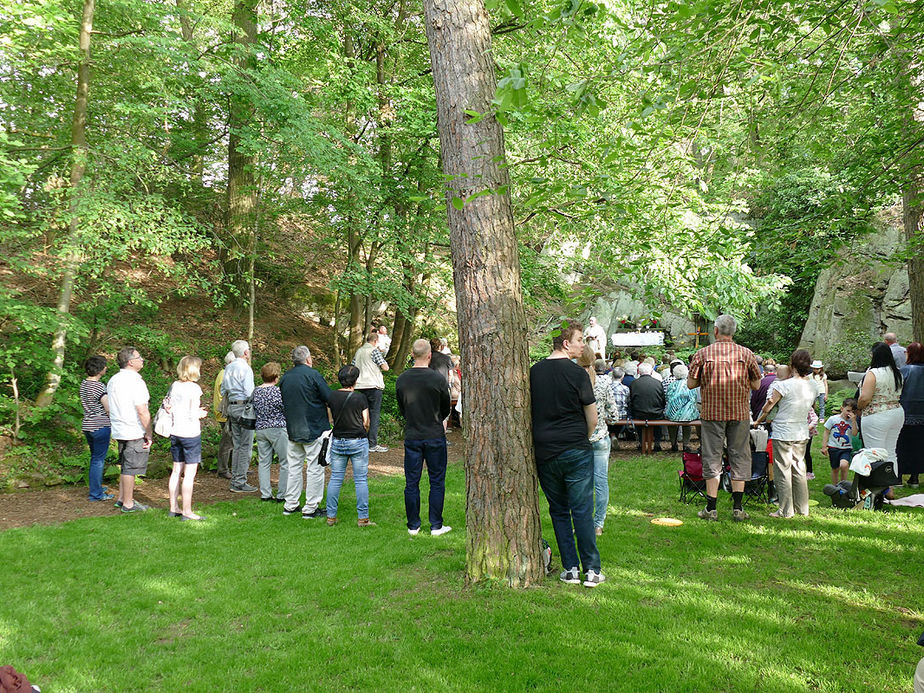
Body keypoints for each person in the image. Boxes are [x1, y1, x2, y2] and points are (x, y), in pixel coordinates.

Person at [530, 320, 604, 588]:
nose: (583, 344)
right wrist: (580, 439)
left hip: (545, 450)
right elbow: (592, 418)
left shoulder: (533, 373)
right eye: (580, 340)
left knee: (559, 510)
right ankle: (592, 570)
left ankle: (571, 568)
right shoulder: (578, 375)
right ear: (566, 344)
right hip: (575, 449)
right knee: (582, 510)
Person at [687, 314, 761, 521]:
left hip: (712, 414)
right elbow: (756, 384)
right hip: (739, 413)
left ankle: (711, 509)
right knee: (740, 455)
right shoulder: (746, 354)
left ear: (716, 331)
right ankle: (738, 508)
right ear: (734, 332)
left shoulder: (702, 354)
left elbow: (691, 384)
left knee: (712, 456)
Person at [396, 339, 452, 536]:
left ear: (412, 354)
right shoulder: (438, 379)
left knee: (412, 481)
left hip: (413, 434)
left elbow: (402, 406)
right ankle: (436, 525)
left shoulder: (402, 379)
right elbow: (446, 407)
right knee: (436, 480)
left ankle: (413, 525)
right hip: (434, 434)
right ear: (429, 355)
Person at [754, 349, 816, 518]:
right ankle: (802, 508)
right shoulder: (813, 385)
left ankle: (785, 510)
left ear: (792, 364)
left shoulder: (784, 385)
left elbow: (768, 406)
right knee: (799, 469)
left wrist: (758, 421)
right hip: (802, 431)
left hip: (783, 431)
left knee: (783, 470)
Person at [279, 345, 332, 518]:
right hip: (313, 428)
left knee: (294, 468)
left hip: (293, 428)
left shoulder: (286, 378)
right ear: (308, 359)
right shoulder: (313, 375)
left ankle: (291, 504)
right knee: (315, 468)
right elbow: (329, 397)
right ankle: (310, 508)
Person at [325, 364, 374, 527]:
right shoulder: (360, 398)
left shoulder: (331, 397)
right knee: (360, 480)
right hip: (358, 440)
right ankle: (363, 518)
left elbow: (331, 419)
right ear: (356, 380)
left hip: (338, 441)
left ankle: (331, 516)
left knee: (335, 479)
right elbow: (366, 422)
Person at [106, 346, 152, 513]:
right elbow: (142, 410)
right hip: (133, 429)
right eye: (139, 357)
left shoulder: (113, 380)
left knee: (126, 465)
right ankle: (128, 503)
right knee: (130, 468)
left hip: (119, 428)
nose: (142, 360)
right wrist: (148, 432)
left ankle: (121, 498)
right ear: (131, 362)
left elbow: (110, 407)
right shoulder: (135, 382)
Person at [578, 350, 617, 536]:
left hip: (580, 438)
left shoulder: (574, 381)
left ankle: (581, 523)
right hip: (600, 437)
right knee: (601, 482)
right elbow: (614, 413)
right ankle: (598, 524)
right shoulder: (603, 383)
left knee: (580, 484)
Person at [165, 356, 208, 521]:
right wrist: (201, 413)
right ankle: (187, 511)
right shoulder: (194, 389)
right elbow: (192, 413)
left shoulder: (175, 385)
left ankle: (173, 507)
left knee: (176, 471)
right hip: (190, 434)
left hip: (175, 432)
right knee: (189, 474)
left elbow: (169, 406)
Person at [858, 342, 904, 466]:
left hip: (876, 414)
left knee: (875, 452)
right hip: (896, 412)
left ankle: (878, 484)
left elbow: (865, 398)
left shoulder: (873, 373)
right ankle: (891, 483)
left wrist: (858, 407)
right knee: (890, 452)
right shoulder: (897, 373)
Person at [220, 340, 257, 493]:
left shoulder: (228, 367)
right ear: (245, 353)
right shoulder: (246, 369)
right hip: (243, 408)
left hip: (232, 408)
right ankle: (240, 481)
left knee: (237, 445)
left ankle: (236, 479)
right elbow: (249, 392)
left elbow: (223, 390)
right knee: (245, 446)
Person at [252, 362, 288, 502]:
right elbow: (284, 409)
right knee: (285, 461)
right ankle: (282, 494)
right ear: (276, 377)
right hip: (277, 428)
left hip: (260, 428)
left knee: (264, 462)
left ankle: (265, 493)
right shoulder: (277, 392)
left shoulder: (256, 391)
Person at [80, 356, 112, 502]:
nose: (106, 368)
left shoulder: (84, 384)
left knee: (95, 458)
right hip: (100, 425)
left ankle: (97, 488)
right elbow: (108, 408)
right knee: (98, 460)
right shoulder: (99, 386)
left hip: (87, 425)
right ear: (99, 370)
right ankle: (96, 494)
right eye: (104, 366)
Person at [352, 331, 389, 453]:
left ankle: (360, 441)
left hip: (359, 386)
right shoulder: (374, 351)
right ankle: (372, 444)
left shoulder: (358, 351)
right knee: (374, 414)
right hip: (373, 386)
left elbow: (353, 366)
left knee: (360, 415)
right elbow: (385, 367)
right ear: (375, 341)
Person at [898, 342, 924, 487]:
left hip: (905, 414)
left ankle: (898, 476)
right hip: (922, 416)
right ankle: (914, 477)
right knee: (919, 446)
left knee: (901, 445)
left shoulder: (905, 370)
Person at [629, 362, 666, 451]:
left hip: (638, 413)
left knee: (638, 417)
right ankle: (657, 442)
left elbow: (631, 400)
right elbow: (663, 400)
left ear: (639, 372)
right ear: (651, 371)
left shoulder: (634, 383)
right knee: (659, 418)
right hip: (656, 413)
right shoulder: (658, 383)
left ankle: (642, 443)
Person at [821, 398, 858, 484]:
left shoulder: (852, 422)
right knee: (835, 468)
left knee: (844, 465)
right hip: (833, 447)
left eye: (852, 412)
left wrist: (853, 421)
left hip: (846, 448)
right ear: (842, 409)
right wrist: (824, 446)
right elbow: (826, 432)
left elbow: (855, 433)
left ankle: (843, 484)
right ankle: (835, 487)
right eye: (848, 410)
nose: (850, 414)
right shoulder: (833, 419)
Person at [212, 351, 235, 479]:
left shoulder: (223, 373)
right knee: (227, 442)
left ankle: (232, 467)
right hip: (224, 413)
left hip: (223, 411)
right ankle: (223, 469)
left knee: (231, 441)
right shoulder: (225, 375)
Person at [665, 363, 698, 451]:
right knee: (687, 423)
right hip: (688, 415)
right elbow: (693, 399)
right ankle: (685, 444)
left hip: (673, 414)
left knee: (671, 423)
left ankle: (673, 444)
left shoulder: (671, 385)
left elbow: (667, 398)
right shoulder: (690, 385)